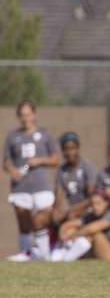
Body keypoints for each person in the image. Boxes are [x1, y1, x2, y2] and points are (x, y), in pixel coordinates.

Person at [3, 101, 59, 261]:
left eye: (28, 114)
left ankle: (48, 254)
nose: (26, 118)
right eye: (22, 115)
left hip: (41, 186)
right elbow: (6, 161)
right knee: (25, 225)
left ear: (34, 115)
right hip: (21, 187)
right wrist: (11, 168)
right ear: (19, 117)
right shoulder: (13, 136)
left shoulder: (45, 134)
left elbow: (55, 159)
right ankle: (28, 255)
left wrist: (40, 160)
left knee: (45, 219)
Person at [52, 189, 110, 262]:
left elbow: (91, 229)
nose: (95, 207)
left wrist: (72, 235)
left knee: (94, 234)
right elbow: (68, 224)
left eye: (99, 203)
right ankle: (55, 258)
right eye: (93, 203)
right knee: (71, 229)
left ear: (106, 203)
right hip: (99, 253)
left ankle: (66, 259)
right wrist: (62, 234)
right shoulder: (92, 215)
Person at [52, 132, 98, 224]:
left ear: (78, 147)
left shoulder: (87, 166)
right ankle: (52, 238)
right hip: (69, 208)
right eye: (66, 149)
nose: (70, 152)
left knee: (71, 216)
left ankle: (71, 238)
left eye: (73, 148)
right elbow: (58, 196)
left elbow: (91, 198)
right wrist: (55, 211)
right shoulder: (61, 171)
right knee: (41, 218)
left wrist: (67, 211)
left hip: (87, 209)